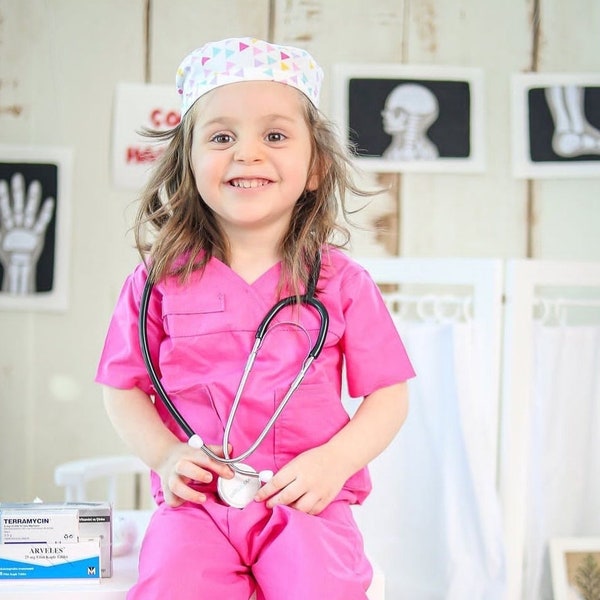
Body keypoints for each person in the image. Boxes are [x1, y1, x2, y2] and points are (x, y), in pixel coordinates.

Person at [96, 37, 415, 600]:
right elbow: (122, 389)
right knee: (172, 585)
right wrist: (167, 456)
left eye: (274, 135)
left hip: (306, 501)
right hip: (196, 509)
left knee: (318, 587)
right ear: (187, 164)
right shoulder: (154, 284)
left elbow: (388, 394)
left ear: (315, 167)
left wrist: (334, 462)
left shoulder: (340, 283)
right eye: (221, 137)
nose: (246, 153)